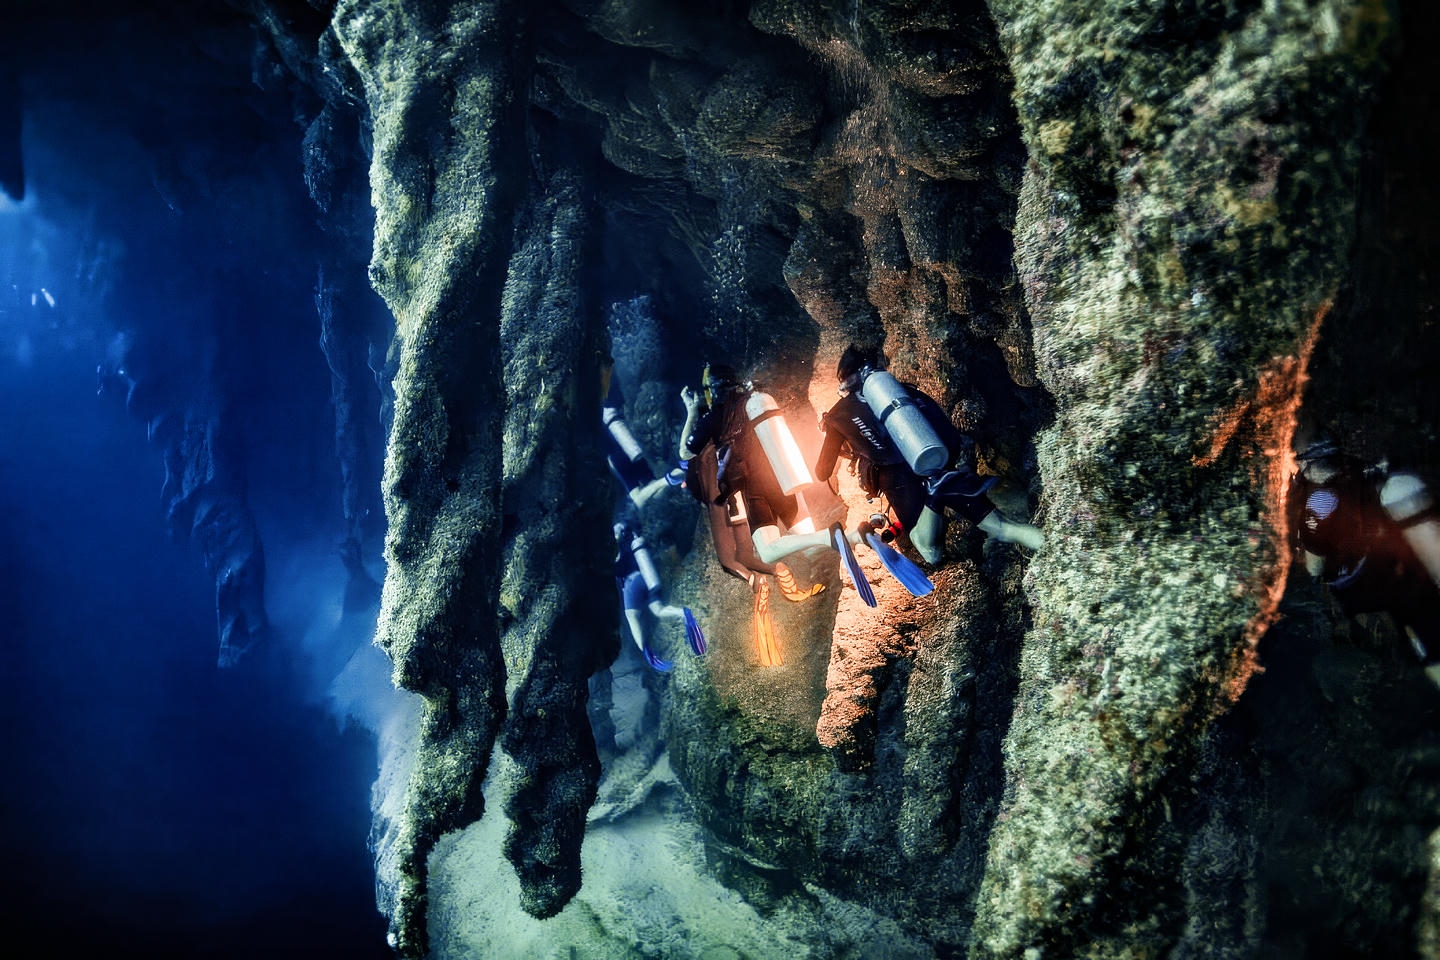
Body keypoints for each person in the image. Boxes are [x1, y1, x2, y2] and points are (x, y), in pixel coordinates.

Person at [814, 345, 1043, 565]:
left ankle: (934, 497)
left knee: (930, 552)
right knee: (1002, 527)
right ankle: (1058, 544)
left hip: (900, 481)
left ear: (844, 381)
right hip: (938, 465)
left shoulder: (838, 415)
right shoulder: (902, 393)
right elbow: (942, 428)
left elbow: (822, 472)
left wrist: (838, 436)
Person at [1291, 437, 1440, 668]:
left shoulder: (1321, 498)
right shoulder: (1369, 478)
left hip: (1362, 583)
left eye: (1302, 464)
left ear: (1313, 464)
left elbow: (1315, 567)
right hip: (1397, 569)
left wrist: (1315, 580)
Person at [679, 363, 836, 565]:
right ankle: (850, 537)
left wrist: (691, 410)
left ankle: (830, 535)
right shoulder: (753, 400)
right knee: (812, 549)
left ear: (712, 390)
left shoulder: (714, 417)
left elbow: (685, 452)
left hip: (754, 490)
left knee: (768, 552)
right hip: (783, 473)